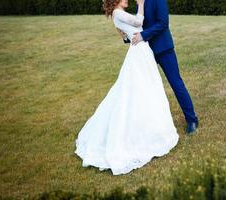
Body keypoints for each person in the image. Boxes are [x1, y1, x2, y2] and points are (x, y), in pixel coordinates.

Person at [74, 0, 179, 175]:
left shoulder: (117, 14)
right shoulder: (118, 12)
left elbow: (131, 31)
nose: (127, 0)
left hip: (141, 50)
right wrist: (141, 4)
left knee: (143, 88)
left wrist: (124, 35)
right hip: (139, 51)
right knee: (139, 90)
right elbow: (138, 22)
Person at [116, 0, 199, 134]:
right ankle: (150, 125)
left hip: (164, 49)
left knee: (176, 83)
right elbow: (139, 24)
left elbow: (163, 23)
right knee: (146, 88)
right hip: (146, 53)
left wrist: (143, 35)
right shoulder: (139, 2)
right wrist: (126, 36)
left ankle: (192, 120)